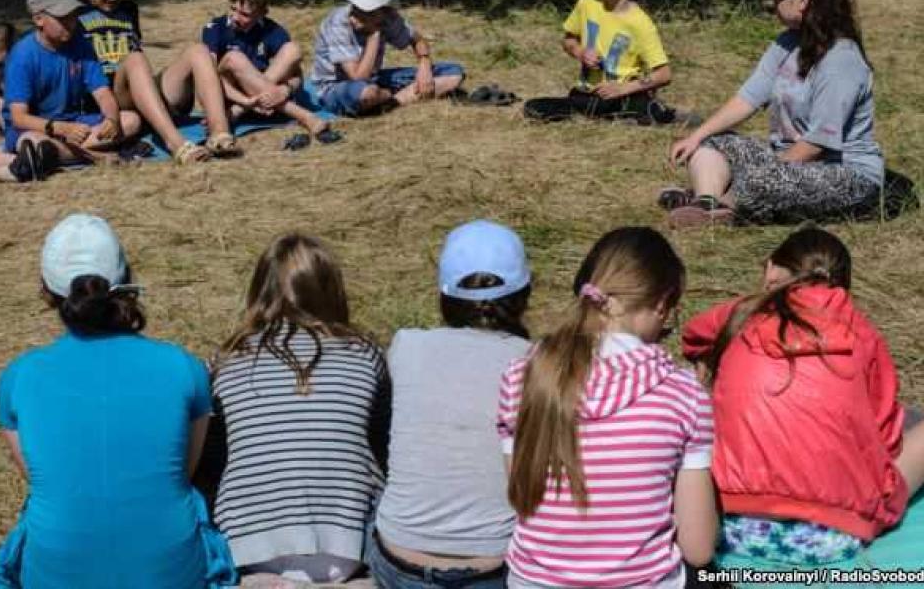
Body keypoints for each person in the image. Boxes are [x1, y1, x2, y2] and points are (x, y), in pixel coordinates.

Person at [0, 214, 217, 588]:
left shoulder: (19, 377)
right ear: (126, 279)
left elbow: (40, 477)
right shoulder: (184, 368)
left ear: (46, 289)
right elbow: (182, 473)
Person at [682, 227, 924, 568]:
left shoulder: (742, 312)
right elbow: (883, 433)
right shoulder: (862, 332)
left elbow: (693, 334)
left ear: (771, 268)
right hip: (835, 539)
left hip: (727, 523)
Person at [497, 227, 717, 587]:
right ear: (662, 304)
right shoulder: (684, 393)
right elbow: (698, 548)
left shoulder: (523, 376)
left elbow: (523, 499)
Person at [206, 233, 389, 583]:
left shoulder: (225, 360)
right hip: (348, 548)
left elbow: (217, 457)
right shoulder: (364, 353)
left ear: (259, 290)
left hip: (249, 548)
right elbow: (382, 445)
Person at [368, 220, 534, 589]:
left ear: (445, 295)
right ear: (525, 293)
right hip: (496, 565)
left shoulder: (406, 346)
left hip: (400, 561)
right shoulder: (537, 362)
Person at [666, 0, 883, 228]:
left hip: (846, 174)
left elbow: (817, 144)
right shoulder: (786, 44)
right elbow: (748, 98)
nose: (772, 2)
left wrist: (769, 169)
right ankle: (706, 202)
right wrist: (696, 136)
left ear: (802, 1)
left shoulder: (842, 60)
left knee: (761, 178)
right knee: (711, 142)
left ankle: (721, 209)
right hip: (790, 160)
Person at [79, 0, 235, 163]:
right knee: (135, 58)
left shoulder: (129, 9)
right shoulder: (76, 15)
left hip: (141, 88)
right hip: (109, 97)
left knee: (198, 51)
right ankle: (176, 144)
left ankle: (219, 131)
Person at [523, 0, 679, 125]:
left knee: (639, 108)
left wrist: (622, 89)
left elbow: (664, 74)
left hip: (622, 95)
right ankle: (611, 116)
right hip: (589, 93)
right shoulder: (586, 3)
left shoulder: (641, 23)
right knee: (534, 107)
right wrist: (580, 52)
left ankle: (642, 113)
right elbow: (568, 40)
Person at [195, 0, 339, 146]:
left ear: (262, 13)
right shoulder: (215, 29)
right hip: (227, 94)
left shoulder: (272, 31)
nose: (237, 17)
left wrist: (285, 91)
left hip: (262, 100)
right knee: (234, 58)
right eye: (234, 10)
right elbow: (207, 77)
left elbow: (296, 75)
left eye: (246, 14)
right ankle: (306, 117)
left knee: (293, 50)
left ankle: (238, 111)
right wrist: (244, 100)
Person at [1, 0, 122, 167]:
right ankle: (92, 155)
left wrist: (112, 119)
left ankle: (58, 154)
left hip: (73, 122)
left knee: (130, 121)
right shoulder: (22, 55)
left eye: (73, 16)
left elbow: (103, 92)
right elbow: (19, 117)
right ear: (38, 19)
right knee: (33, 142)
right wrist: (59, 129)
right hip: (35, 129)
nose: (71, 23)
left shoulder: (81, 44)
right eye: (62, 18)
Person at [310, 0, 465, 116]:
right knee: (366, 93)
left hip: (375, 78)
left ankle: (387, 103)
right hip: (338, 86)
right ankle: (393, 97)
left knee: (453, 72)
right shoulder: (338, 23)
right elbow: (357, 77)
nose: (358, 13)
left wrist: (424, 66)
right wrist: (373, 35)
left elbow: (417, 40)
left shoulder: (387, 17)